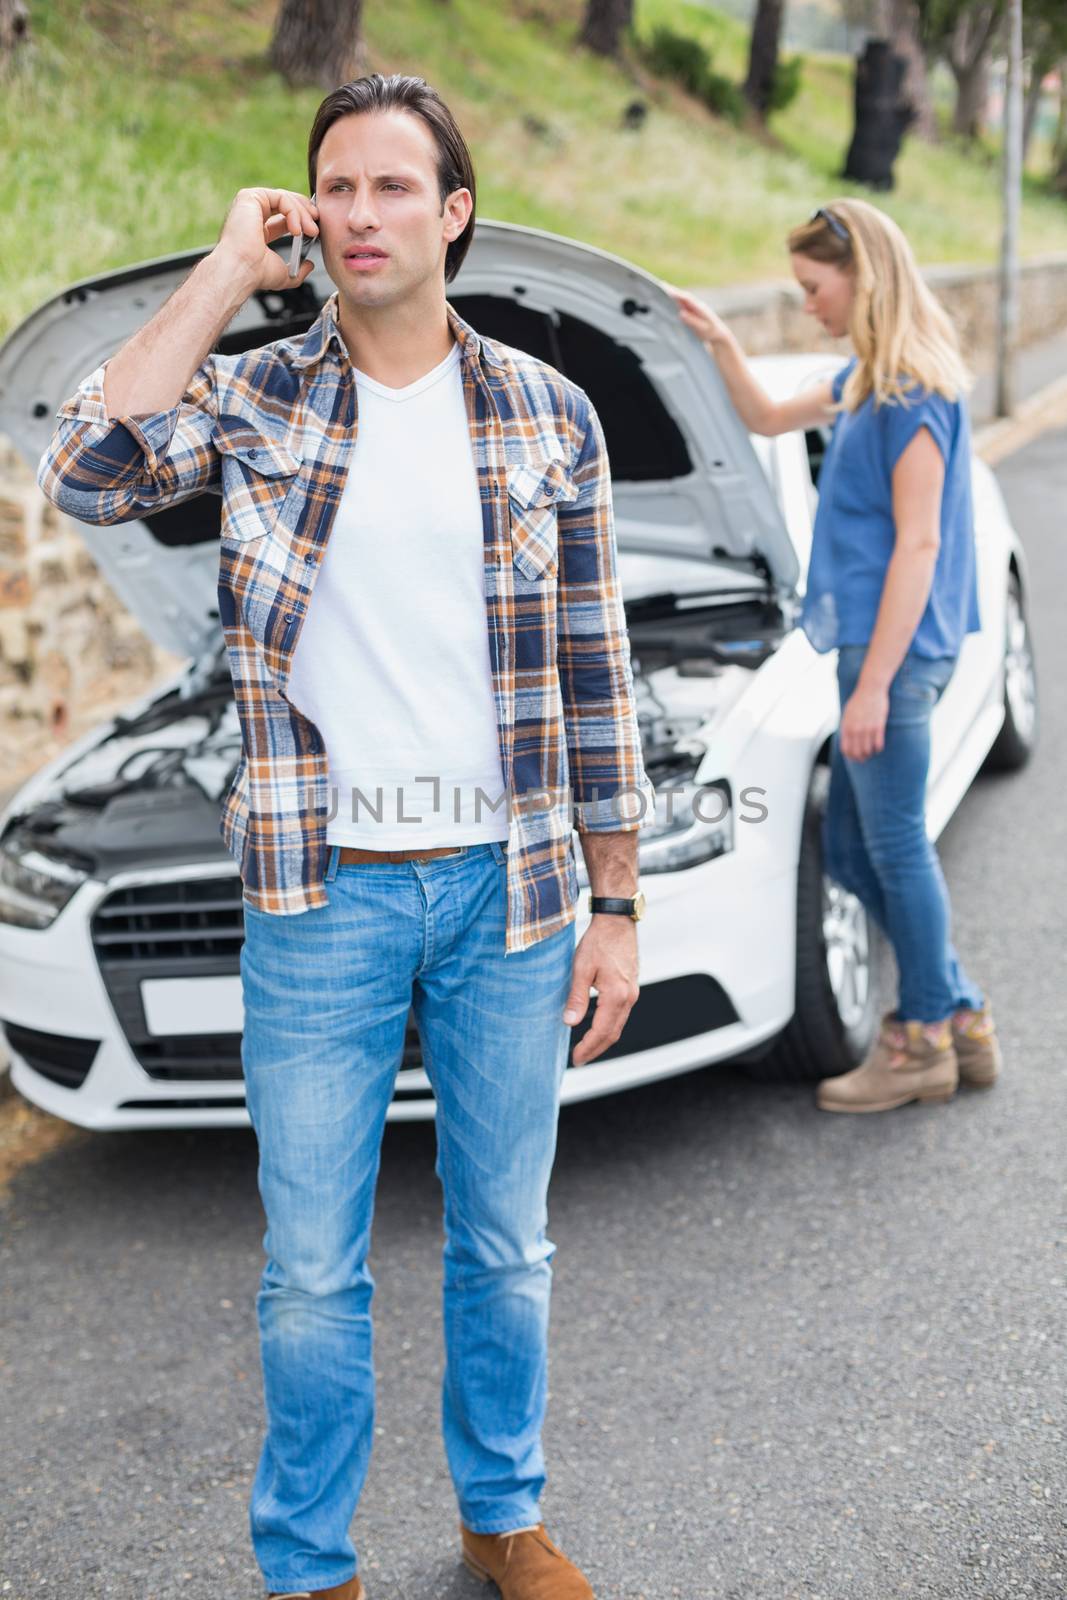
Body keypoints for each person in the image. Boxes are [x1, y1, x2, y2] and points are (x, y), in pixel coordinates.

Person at [38, 72, 655, 1600]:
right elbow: (84, 471)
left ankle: (500, 1516)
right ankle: (309, 1566)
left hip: (506, 896)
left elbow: (594, 672)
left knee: (503, 1250)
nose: (361, 213)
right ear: (305, 214)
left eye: (394, 186)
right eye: (336, 187)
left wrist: (618, 898)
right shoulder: (253, 399)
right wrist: (221, 276)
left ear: (452, 214)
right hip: (319, 900)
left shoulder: (543, 414)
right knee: (310, 1276)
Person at [665, 197, 1001, 1115]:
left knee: (888, 847)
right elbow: (771, 419)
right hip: (872, 653)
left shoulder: (911, 395)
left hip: (893, 658)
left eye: (814, 288)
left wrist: (875, 688)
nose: (807, 304)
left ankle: (921, 1041)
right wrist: (717, 346)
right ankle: (959, 1015)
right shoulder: (865, 378)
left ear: (862, 279)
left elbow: (919, 547)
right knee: (856, 848)